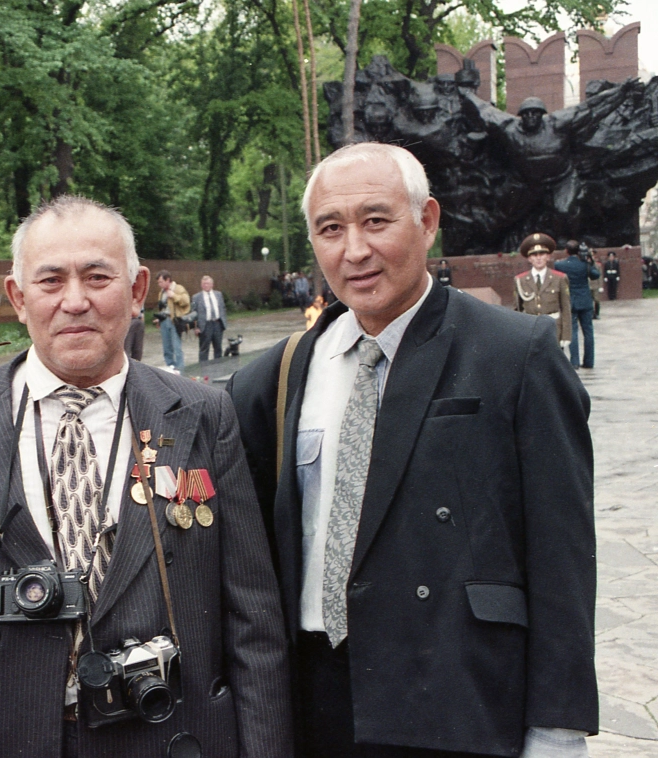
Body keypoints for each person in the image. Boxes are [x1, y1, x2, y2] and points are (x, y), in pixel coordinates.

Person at [0, 195, 292, 758]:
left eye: (98, 277)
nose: (75, 302)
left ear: (138, 289)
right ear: (18, 298)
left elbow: (253, 616)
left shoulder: (202, 414)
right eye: (50, 282)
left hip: (166, 733)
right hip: (2, 738)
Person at [228, 143, 596, 758]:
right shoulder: (276, 376)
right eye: (330, 229)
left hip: (458, 696)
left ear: (426, 220)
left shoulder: (516, 354)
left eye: (376, 221)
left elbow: (563, 553)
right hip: (315, 701)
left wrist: (556, 729)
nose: (355, 250)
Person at [513, 232, 572, 348]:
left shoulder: (559, 278)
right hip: (530, 331)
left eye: (542, 254)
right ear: (529, 258)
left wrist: (566, 336)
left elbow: (566, 308)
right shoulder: (520, 280)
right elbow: (517, 311)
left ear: (548, 257)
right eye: (534, 255)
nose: (538, 258)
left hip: (554, 330)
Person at [555, 239, 600, 369]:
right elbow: (595, 275)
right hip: (585, 301)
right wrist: (590, 262)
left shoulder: (560, 265)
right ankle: (589, 361)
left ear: (566, 251)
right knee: (588, 331)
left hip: (570, 301)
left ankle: (574, 361)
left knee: (572, 331)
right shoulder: (584, 264)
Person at [154, 270, 190, 373]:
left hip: (174, 321)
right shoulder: (161, 292)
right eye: (158, 282)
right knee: (167, 347)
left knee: (176, 346)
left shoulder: (178, 288)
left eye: (161, 282)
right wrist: (159, 319)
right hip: (164, 321)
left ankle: (180, 369)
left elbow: (186, 302)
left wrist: (174, 296)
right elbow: (163, 308)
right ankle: (170, 368)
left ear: (168, 280)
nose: (159, 284)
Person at [192, 275, 227, 362]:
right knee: (204, 349)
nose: (206, 285)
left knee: (218, 347)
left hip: (217, 323)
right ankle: (204, 370)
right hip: (205, 325)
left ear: (212, 284)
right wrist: (196, 327)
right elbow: (193, 313)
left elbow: (222, 308)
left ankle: (219, 367)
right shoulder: (196, 297)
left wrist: (223, 322)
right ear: (201, 285)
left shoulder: (218, 295)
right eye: (204, 284)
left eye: (207, 283)